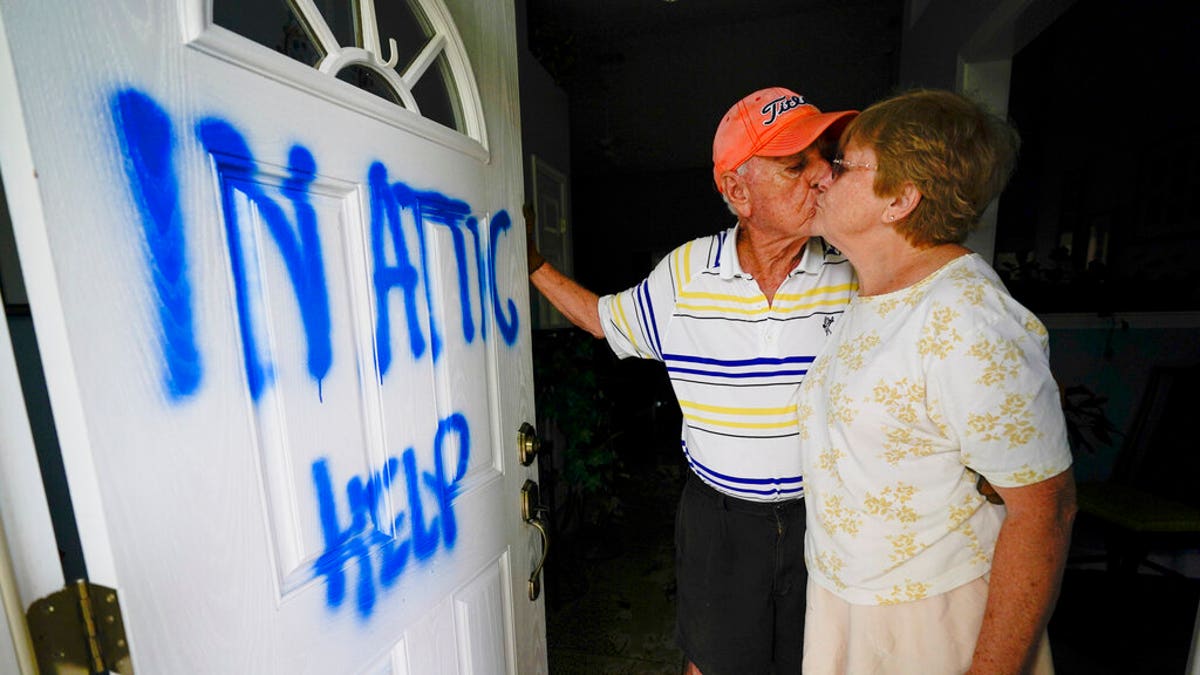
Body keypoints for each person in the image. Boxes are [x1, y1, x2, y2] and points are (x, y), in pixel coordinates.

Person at [526, 86, 858, 674]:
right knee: (711, 661)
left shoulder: (854, 270)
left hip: (827, 514)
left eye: (825, 158)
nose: (824, 177)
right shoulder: (683, 276)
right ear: (737, 191)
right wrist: (532, 265)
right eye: (795, 164)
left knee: (817, 661)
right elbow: (605, 321)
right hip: (720, 521)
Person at [796, 88, 1076, 674]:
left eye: (843, 164)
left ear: (900, 198)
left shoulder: (968, 319)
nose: (820, 176)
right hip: (848, 599)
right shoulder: (874, 291)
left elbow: (1044, 513)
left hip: (931, 619)